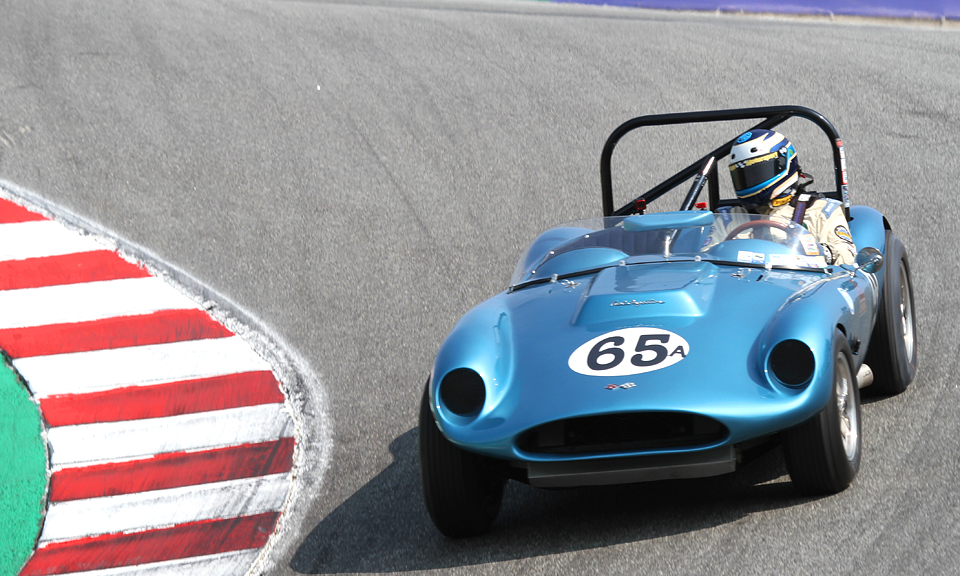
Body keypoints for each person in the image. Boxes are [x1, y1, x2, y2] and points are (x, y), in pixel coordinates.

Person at [722, 129, 856, 265]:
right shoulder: (728, 218)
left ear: (782, 165)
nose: (751, 180)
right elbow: (710, 256)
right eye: (744, 176)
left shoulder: (821, 211)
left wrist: (820, 251)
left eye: (757, 172)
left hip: (801, 277)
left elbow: (846, 258)